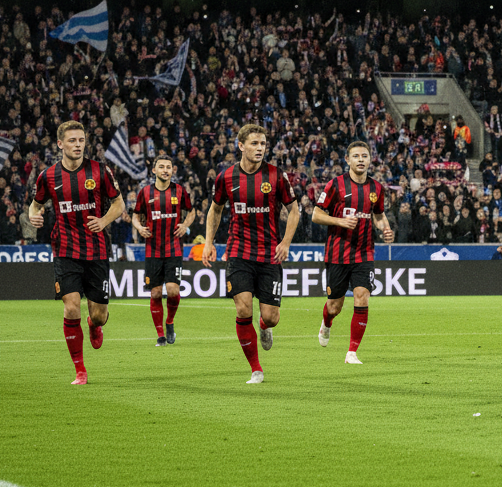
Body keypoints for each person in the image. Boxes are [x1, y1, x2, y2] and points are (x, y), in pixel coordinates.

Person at [28, 121, 124, 385]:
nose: (78, 145)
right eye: (72, 140)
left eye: (81, 140)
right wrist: (34, 217)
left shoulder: (100, 171)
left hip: (97, 250)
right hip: (65, 250)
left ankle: (94, 325)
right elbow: (34, 206)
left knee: (98, 315)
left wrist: (103, 221)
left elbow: (119, 203)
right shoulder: (48, 176)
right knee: (71, 308)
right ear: (60, 144)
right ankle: (80, 371)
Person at [203, 124, 300, 384]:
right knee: (243, 307)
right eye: (255, 143)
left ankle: (265, 326)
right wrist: (209, 243)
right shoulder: (226, 177)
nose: (260, 148)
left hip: (270, 253)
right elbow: (215, 210)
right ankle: (256, 369)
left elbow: (295, 210)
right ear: (241, 145)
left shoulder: (277, 176)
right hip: (239, 251)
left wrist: (286, 242)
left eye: (263, 144)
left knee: (271, 317)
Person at [312, 141, 394, 363]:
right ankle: (326, 323)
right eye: (356, 156)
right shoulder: (335, 185)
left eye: (364, 156)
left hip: (364, 253)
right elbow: (316, 215)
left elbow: (378, 215)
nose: (360, 159)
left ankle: (351, 352)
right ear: (347, 160)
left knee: (362, 296)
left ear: (369, 160)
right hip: (337, 254)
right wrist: (340, 220)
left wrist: (385, 229)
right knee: (334, 306)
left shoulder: (377, 189)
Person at [131, 155, 196, 345]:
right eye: (161, 167)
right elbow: (135, 215)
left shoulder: (179, 191)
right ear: (154, 170)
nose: (165, 170)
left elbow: (191, 211)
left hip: (174, 248)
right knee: (156, 293)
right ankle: (160, 334)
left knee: (173, 291)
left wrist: (185, 225)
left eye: (168, 167)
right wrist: (139, 227)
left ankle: (169, 322)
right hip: (153, 250)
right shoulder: (145, 193)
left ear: (172, 170)